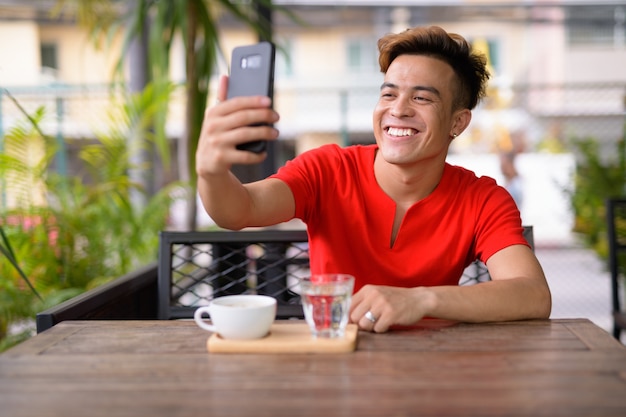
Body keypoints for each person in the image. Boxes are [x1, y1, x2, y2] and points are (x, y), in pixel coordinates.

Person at [195, 25, 552, 333]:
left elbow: (532, 294)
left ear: (458, 123)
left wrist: (422, 299)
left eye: (422, 97)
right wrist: (210, 172)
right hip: (336, 365)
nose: (398, 109)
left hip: (439, 374)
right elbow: (240, 210)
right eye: (389, 93)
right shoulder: (327, 169)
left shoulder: (482, 198)